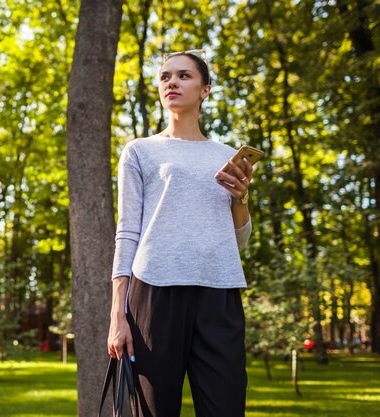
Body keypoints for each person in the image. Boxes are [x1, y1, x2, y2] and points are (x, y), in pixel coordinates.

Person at [107, 49, 253, 417]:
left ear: (205, 89)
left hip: (219, 295)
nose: (172, 81)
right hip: (154, 293)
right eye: (165, 76)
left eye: (184, 75)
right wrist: (117, 315)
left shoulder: (226, 156)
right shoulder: (139, 151)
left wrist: (241, 199)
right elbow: (127, 232)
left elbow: (238, 243)